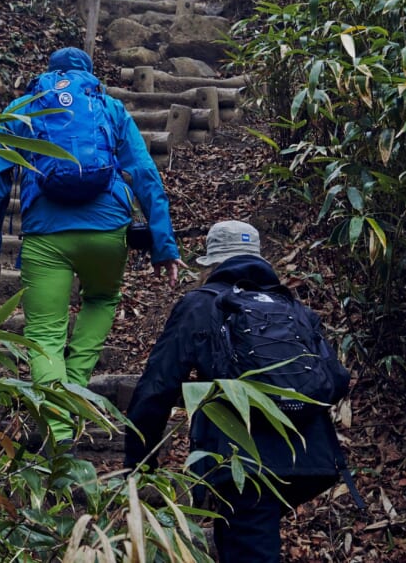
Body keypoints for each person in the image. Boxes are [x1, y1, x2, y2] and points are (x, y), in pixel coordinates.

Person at [0, 46, 184, 446]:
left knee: (45, 334)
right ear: (89, 73)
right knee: (101, 300)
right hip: (107, 232)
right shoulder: (108, 106)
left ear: (48, 73)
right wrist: (164, 245)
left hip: (46, 234)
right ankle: (73, 393)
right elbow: (144, 174)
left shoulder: (24, 108)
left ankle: (59, 428)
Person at [123, 220, 353, 562]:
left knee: (249, 540)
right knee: (245, 536)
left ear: (212, 263)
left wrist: (138, 464)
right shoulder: (293, 308)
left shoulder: (201, 305)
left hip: (243, 460)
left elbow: (157, 387)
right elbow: (336, 380)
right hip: (310, 457)